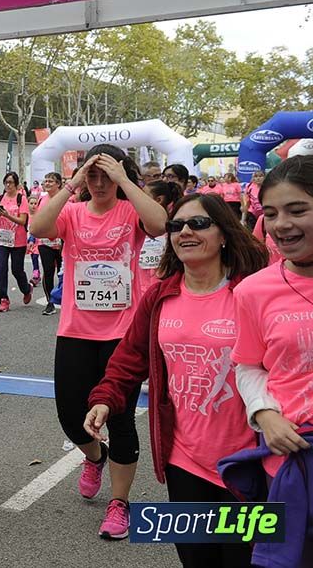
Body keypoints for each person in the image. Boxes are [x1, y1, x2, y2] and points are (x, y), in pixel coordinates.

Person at [86, 193, 267, 567]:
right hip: (183, 461)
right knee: (197, 560)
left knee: (245, 560)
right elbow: (130, 356)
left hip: (249, 463)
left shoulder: (251, 294)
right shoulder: (160, 295)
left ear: (223, 235)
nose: (184, 231)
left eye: (198, 223)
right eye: (175, 226)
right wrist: (105, 398)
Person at [30, 144, 168, 540]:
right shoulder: (72, 212)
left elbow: (160, 225)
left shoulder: (130, 212)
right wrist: (72, 183)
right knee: (71, 415)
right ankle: (95, 456)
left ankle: (119, 503)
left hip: (122, 333)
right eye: (94, 174)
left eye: (107, 175)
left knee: (121, 419)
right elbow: (38, 228)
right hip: (75, 330)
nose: (100, 182)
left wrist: (125, 178)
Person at [228, 156, 313, 567]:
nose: (282, 225)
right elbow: (248, 365)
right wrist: (265, 415)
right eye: (273, 213)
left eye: (298, 211)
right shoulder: (253, 291)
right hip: (287, 459)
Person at [0, 171, 32, 313]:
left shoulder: (22, 199)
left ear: (16, 184)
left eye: (11, 183)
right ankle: (4, 299)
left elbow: (23, 221)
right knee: (2, 269)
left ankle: (26, 289)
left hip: (18, 240)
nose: (8, 185)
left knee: (16, 269)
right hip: (2, 239)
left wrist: (8, 215)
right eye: (6, 182)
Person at [137, 181, 183, 297]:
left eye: (143, 195)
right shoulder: (136, 221)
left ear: (159, 200)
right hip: (139, 290)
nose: (138, 198)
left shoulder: (176, 227)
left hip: (164, 290)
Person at [35, 173, 65, 316]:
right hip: (44, 241)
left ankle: (65, 299)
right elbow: (37, 218)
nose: (47, 183)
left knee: (63, 272)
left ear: (58, 184)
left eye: (50, 181)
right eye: (45, 181)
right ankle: (50, 302)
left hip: (62, 241)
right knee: (48, 271)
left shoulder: (66, 198)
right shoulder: (42, 199)